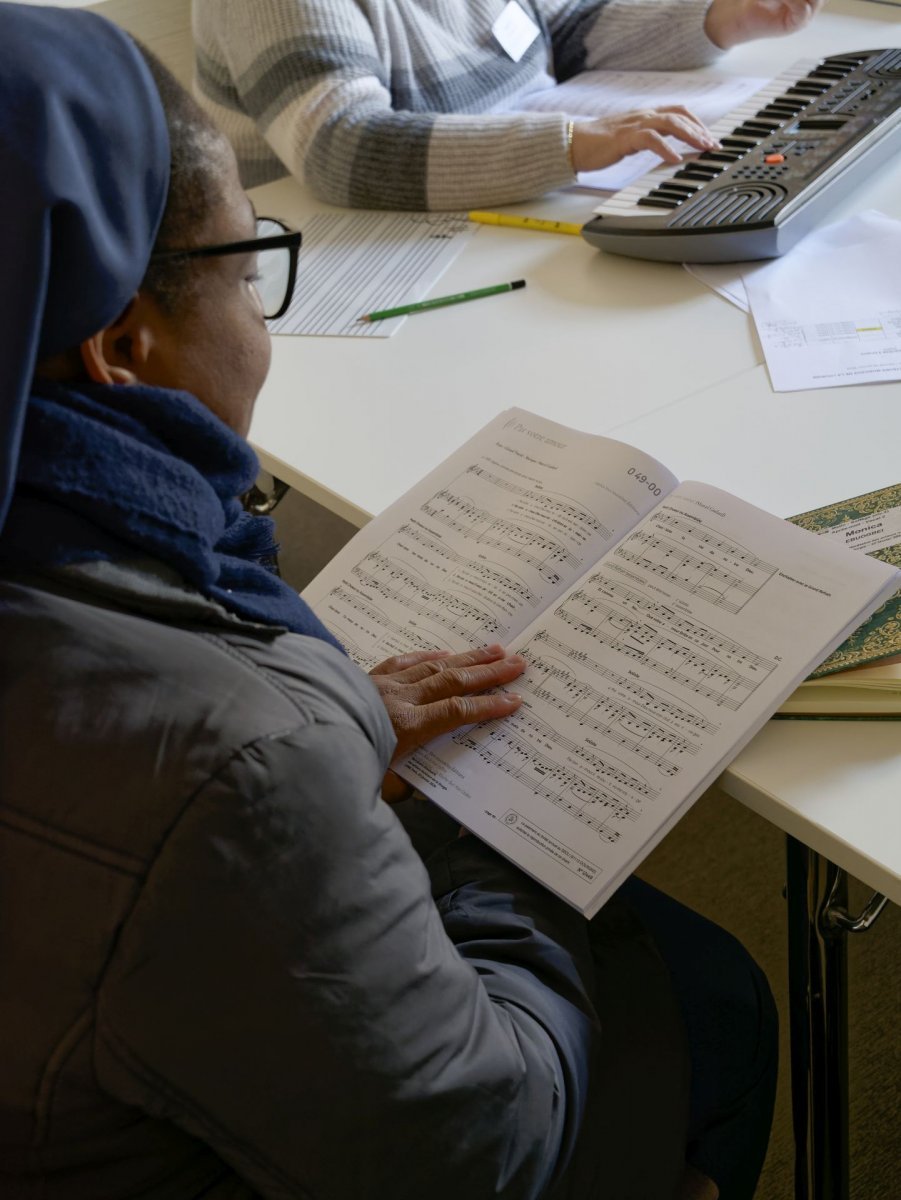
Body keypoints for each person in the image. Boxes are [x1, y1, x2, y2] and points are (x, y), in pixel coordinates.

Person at [0, 5, 777, 1198]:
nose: (263, 331)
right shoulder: (228, 756)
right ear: (122, 347)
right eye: (250, 268)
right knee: (714, 994)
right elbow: (484, 1146)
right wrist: (490, 840)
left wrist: (333, 732)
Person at [193, 0, 822, 209]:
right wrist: (571, 142)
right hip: (346, 253)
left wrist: (723, 19)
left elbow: (566, 29)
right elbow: (340, 145)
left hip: (489, 215)